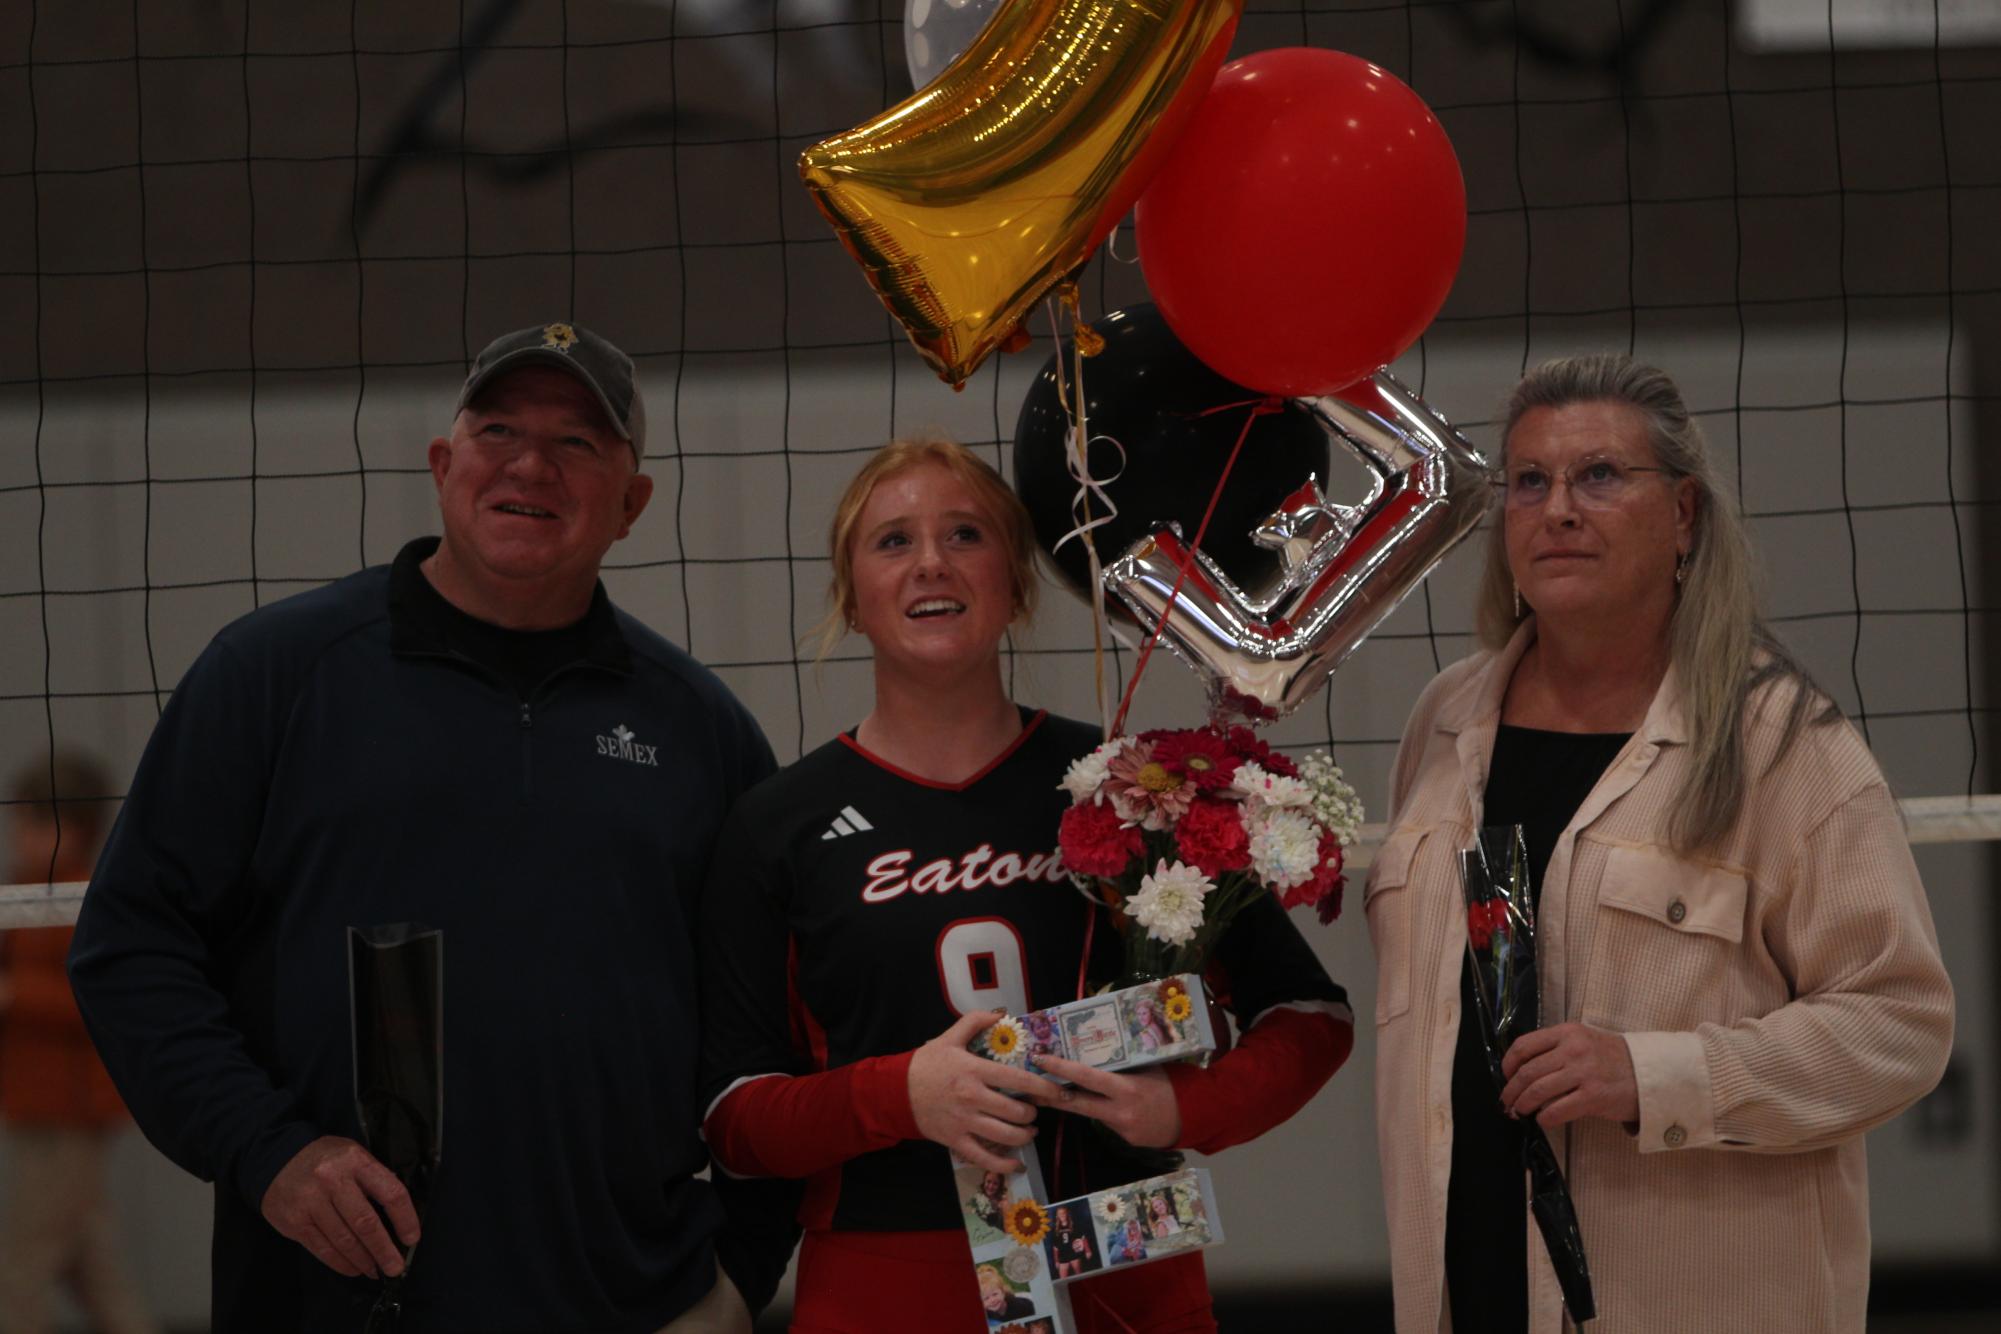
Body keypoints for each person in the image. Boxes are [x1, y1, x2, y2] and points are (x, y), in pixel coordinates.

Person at [67, 323, 794, 1334]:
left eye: (579, 441)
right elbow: (130, 944)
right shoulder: (274, 675)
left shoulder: (701, 730)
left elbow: (779, 1024)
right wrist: (269, 1149)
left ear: (633, 503)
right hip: (335, 1301)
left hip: (635, 1303)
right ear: (444, 464)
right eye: (498, 428)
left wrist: (738, 1270)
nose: (530, 463)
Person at [697, 438, 1355, 1334]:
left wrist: (1182, 1107)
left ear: (1014, 582)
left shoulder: (1135, 786)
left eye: (964, 534)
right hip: (891, 1280)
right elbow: (734, 1121)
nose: (931, 560)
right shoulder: (778, 824)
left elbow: (1311, 1019)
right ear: (851, 600)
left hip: (1125, 1257)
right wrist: (899, 1096)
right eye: (892, 541)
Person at [1367, 353, 1954, 1333]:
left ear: (1683, 514)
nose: (1557, 508)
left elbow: (1901, 1025)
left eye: (1599, 475)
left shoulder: (1783, 742)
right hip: (1470, 1289)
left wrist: (1658, 1073)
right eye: (1529, 480)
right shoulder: (1445, 720)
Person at [0, 750, 159, 1334]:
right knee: (94, 1270)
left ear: (75, 828)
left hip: (68, 1112)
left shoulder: (85, 897)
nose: (17, 832)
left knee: (22, 1271)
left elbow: (97, 998)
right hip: (40, 1108)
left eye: (31, 821)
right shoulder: (28, 894)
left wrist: (15, 993)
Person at [1046, 1205, 1093, 1279]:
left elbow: (1083, 1238)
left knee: (1079, 1276)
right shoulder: (1055, 1230)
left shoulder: (1074, 1225)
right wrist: (1056, 1260)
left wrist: (1088, 1250)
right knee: (1062, 1279)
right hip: (1063, 1256)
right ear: (1057, 1216)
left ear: (1067, 1214)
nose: (1062, 1215)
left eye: (1063, 1213)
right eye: (1060, 1214)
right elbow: (1055, 1248)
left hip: (1074, 1254)